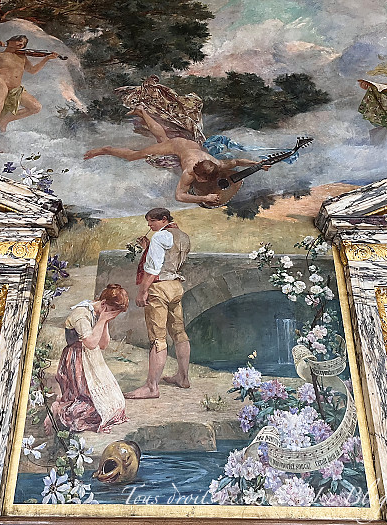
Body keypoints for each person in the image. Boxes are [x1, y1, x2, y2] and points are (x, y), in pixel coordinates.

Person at [83, 106, 267, 206]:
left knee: (161, 137)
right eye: (200, 178)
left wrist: (258, 164)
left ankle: (142, 111)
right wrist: (204, 198)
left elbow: (237, 161)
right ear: (196, 172)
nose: (200, 181)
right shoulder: (189, 172)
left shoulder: (217, 164)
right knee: (136, 155)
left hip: (192, 146)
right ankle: (106, 149)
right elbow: (179, 196)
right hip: (177, 146)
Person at [125, 208, 191, 399]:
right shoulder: (183, 236)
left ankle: (151, 387)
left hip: (159, 288)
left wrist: (142, 291)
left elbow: (154, 269)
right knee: (179, 333)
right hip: (175, 286)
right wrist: (148, 247)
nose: (149, 225)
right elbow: (170, 260)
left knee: (158, 338)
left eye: (152, 221)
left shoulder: (160, 237)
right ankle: (183, 377)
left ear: (163, 219)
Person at [47, 284, 129, 433]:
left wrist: (104, 321)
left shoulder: (99, 313)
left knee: (116, 404)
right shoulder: (81, 314)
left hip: (92, 360)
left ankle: (63, 407)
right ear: (103, 304)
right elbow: (90, 343)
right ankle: (58, 409)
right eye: (111, 311)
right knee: (92, 409)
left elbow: (103, 344)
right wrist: (102, 320)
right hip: (77, 360)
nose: (111, 316)